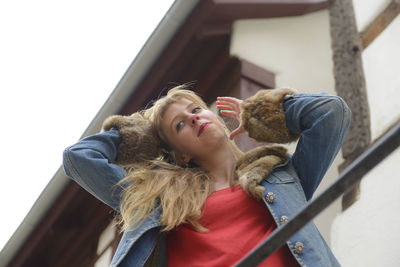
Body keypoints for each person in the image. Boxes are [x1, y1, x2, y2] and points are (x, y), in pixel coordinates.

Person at [63, 85, 351, 267]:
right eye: (179, 126)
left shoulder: (281, 175)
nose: (192, 118)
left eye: (196, 109)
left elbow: (331, 113)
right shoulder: (159, 199)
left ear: (216, 118)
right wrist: (139, 138)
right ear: (181, 155)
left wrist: (265, 113)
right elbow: (77, 159)